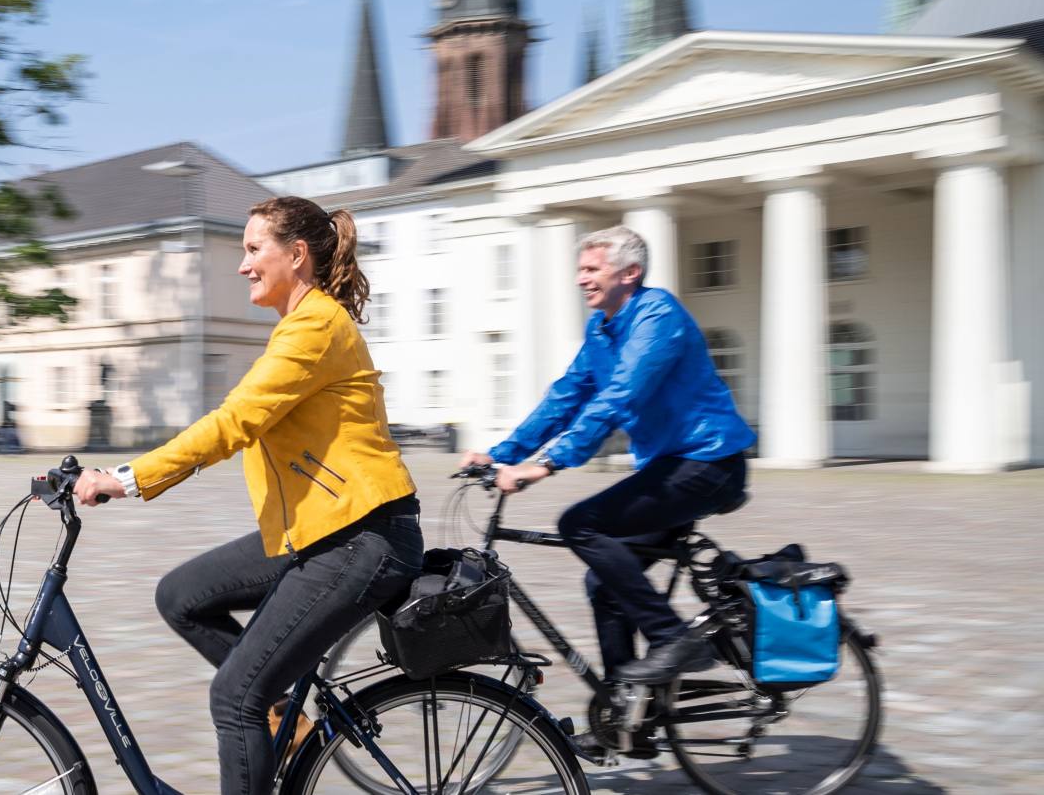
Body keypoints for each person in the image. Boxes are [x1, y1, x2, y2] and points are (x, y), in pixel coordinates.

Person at [74, 196, 423, 794]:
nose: (243, 266)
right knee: (181, 596)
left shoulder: (315, 327)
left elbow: (234, 422)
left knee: (236, 696)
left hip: (360, 537)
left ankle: (261, 715)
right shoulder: (299, 326)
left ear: (297, 254)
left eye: (253, 249)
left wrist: (125, 479)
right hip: (319, 530)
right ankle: (287, 725)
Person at [462, 225, 755, 703]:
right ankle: (627, 706)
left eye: (592, 269)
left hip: (708, 462)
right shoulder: (601, 329)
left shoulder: (658, 318)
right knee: (605, 581)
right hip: (669, 467)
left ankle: (675, 639)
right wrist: (502, 454)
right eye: (580, 269)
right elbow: (567, 396)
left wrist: (549, 463)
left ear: (630, 272)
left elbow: (621, 397)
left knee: (581, 525)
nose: (580, 279)